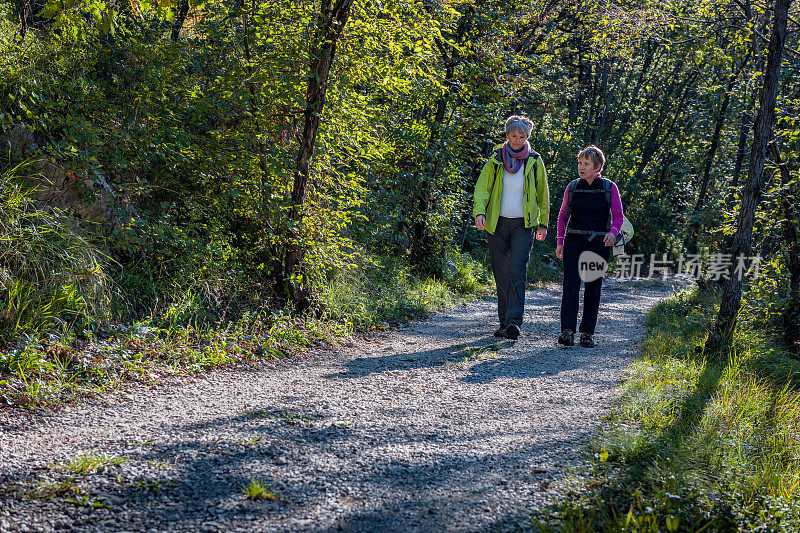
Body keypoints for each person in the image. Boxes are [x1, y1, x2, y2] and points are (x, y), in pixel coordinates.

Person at [473, 115, 549, 340]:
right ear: (507, 135)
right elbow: (482, 188)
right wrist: (479, 211)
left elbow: (543, 194)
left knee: (517, 269)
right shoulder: (496, 158)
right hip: (496, 223)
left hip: (523, 225)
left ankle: (514, 323)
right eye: (513, 135)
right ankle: (504, 323)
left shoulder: (534, 161)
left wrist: (543, 223)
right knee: (501, 273)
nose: (517, 140)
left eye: (522, 136)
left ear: (527, 137)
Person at [555, 145, 624, 348]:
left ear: (597, 167)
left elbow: (618, 216)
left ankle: (587, 333)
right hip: (574, 242)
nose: (581, 167)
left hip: (598, 244)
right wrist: (560, 241)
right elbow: (562, 215)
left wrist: (613, 233)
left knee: (593, 288)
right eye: (580, 163)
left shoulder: (609, 188)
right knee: (571, 285)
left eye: (586, 164)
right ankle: (567, 331)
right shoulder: (573, 187)